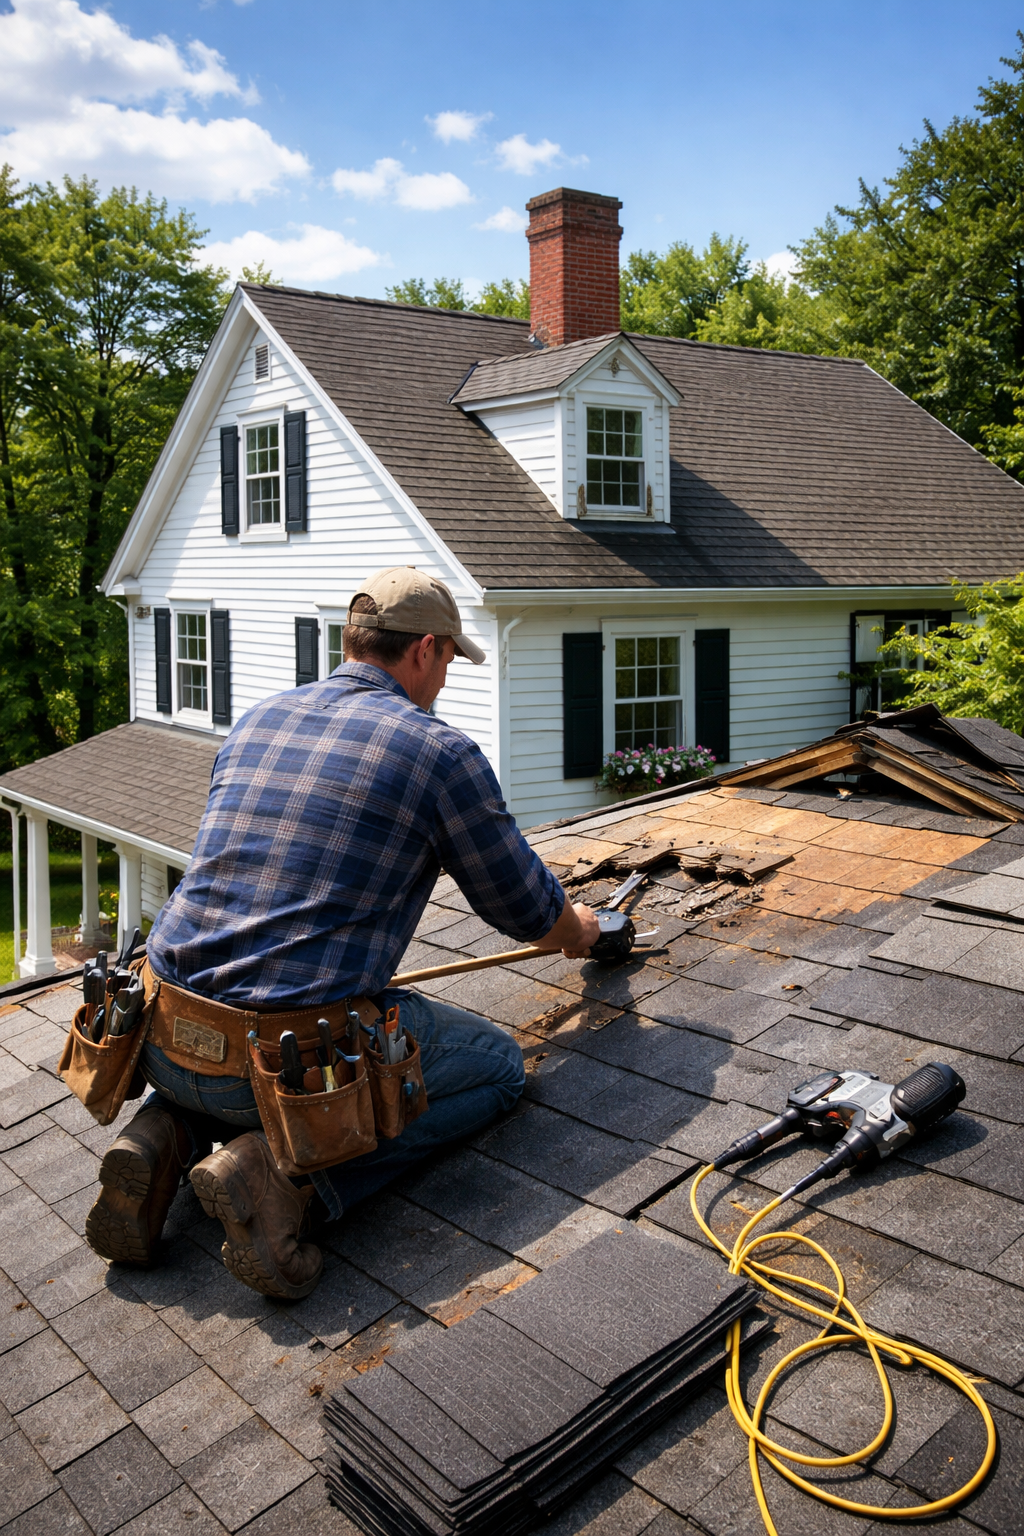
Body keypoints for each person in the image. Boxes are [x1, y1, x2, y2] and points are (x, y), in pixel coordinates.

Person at [85, 568, 600, 1299]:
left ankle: (159, 1138)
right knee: (496, 1069)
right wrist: (577, 928)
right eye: (449, 660)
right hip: (287, 1065)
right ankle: (286, 1183)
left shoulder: (259, 718)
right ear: (424, 650)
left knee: (221, 1075)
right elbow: (524, 910)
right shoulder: (438, 752)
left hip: (160, 1035)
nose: (445, 680)